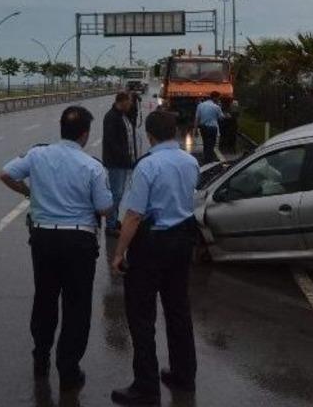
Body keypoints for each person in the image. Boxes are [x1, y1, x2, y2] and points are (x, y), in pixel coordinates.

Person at [0, 106, 112, 391]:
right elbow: (104, 207)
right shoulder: (92, 166)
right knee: (77, 305)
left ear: (62, 129)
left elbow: (5, 174)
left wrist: (29, 192)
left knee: (45, 298)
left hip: (43, 239)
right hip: (79, 242)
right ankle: (68, 369)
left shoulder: (38, 155)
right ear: (85, 134)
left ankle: (41, 356)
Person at [110, 110, 200, 405]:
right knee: (178, 309)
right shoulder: (190, 161)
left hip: (152, 243)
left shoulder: (147, 166)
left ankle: (145, 386)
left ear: (149, 135)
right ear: (174, 132)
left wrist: (119, 252)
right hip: (183, 238)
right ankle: (184, 374)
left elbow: (134, 215)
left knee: (141, 315)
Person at [102, 92, 137, 237]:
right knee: (116, 194)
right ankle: (110, 225)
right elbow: (112, 142)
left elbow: (133, 125)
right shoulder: (112, 117)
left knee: (119, 193)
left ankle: (114, 220)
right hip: (117, 163)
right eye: (129, 102)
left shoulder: (124, 116)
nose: (131, 105)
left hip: (124, 162)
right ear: (121, 102)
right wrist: (124, 158)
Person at [194, 91, 225, 164]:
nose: (218, 100)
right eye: (218, 98)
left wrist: (195, 130)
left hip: (203, 128)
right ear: (215, 98)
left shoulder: (200, 105)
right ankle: (210, 160)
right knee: (211, 144)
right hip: (212, 128)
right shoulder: (216, 107)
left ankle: (206, 158)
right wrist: (220, 107)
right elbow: (221, 118)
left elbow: (197, 118)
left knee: (205, 143)